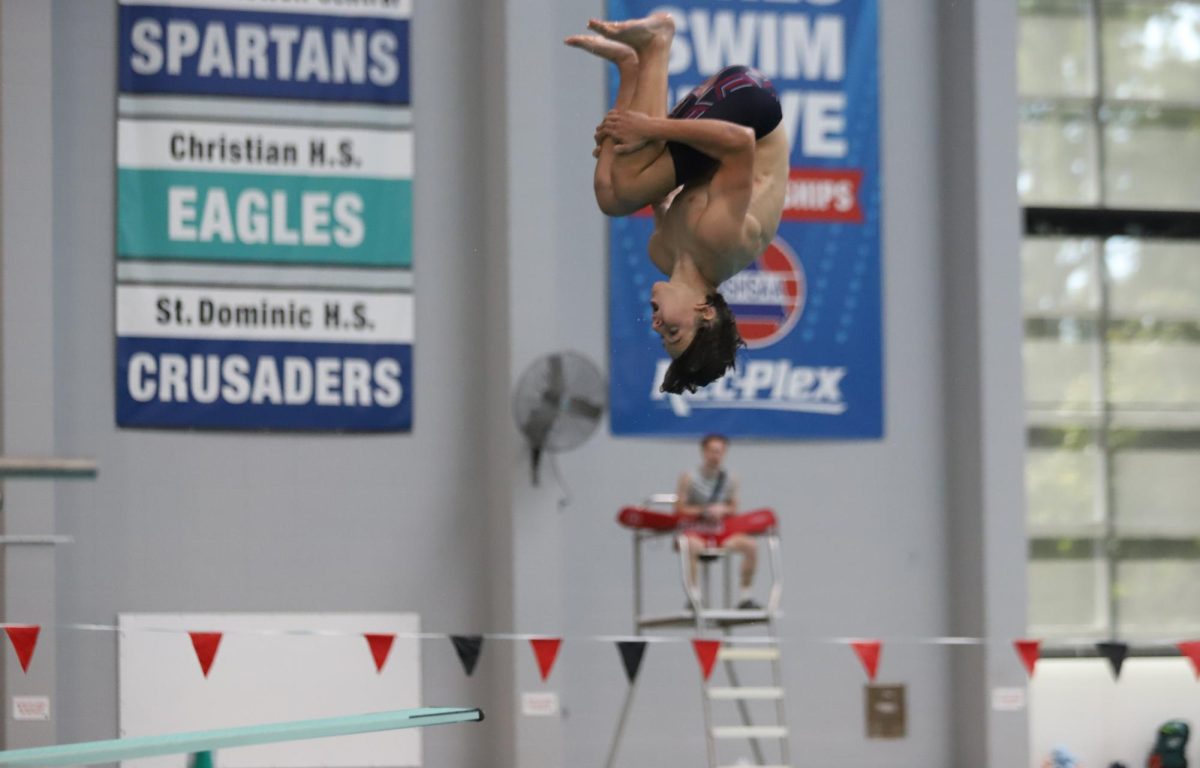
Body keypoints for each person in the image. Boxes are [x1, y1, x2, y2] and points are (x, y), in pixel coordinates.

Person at [566, 13, 790, 394]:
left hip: (721, 121)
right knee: (623, 190)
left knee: (616, 188)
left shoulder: (662, 250)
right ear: (705, 312)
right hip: (753, 105)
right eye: (673, 330)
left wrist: (615, 137)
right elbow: (740, 143)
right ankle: (655, 43)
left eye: (662, 334)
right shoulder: (722, 241)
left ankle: (631, 66)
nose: (657, 325)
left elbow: (642, 187)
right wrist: (648, 128)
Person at [674, 433, 759, 610]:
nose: (716, 456)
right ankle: (694, 597)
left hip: (719, 531)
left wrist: (722, 510)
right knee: (690, 545)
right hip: (696, 530)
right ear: (703, 452)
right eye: (712, 451)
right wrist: (703, 511)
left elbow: (734, 507)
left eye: (720, 452)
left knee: (751, 545)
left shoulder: (731, 479)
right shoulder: (689, 477)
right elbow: (679, 508)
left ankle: (745, 597)